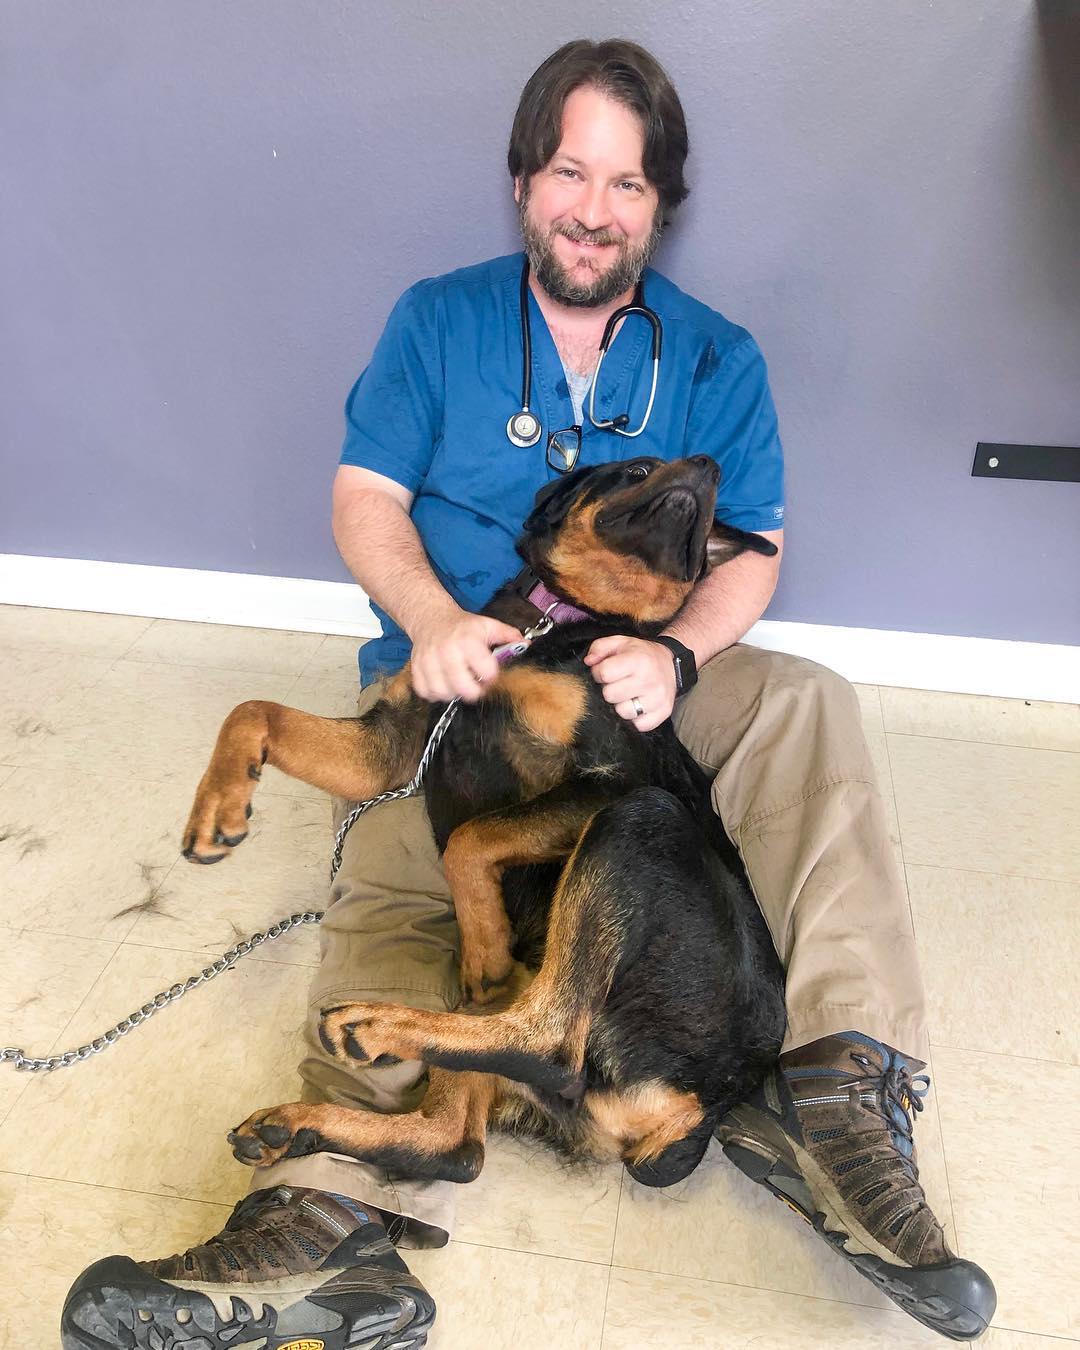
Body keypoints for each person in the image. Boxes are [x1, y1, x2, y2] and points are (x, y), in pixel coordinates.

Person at [62, 38, 996, 1350]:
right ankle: (329, 1228)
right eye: (571, 170)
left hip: (639, 682)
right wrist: (435, 620)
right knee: (410, 861)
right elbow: (365, 500)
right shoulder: (437, 322)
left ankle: (834, 1095)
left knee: (808, 705)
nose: (595, 206)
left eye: (626, 183)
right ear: (523, 181)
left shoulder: (715, 360)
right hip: (464, 676)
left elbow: (759, 551)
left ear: (659, 205)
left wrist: (675, 654)